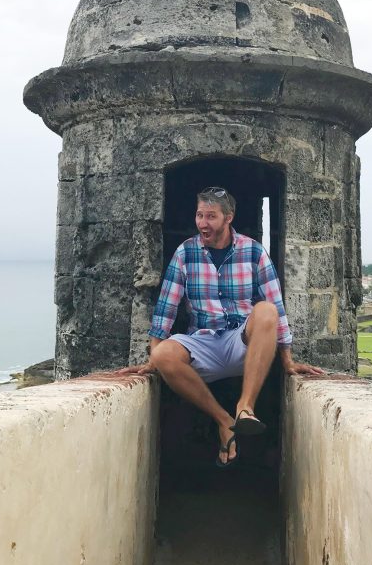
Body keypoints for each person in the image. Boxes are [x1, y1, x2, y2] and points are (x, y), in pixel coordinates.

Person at [117, 186, 325, 467]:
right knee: (164, 354)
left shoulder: (253, 251)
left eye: (211, 216)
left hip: (242, 343)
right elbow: (167, 305)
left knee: (265, 310)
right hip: (202, 341)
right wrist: (153, 355)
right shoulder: (186, 253)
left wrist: (287, 358)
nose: (203, 223)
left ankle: (244, 408)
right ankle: (223, 420)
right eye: (199, 215)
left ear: (229, 218)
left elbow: (276, 304)